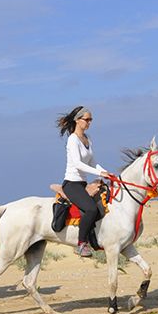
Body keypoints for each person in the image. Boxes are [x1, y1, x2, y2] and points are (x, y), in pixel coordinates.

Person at [57, 106, 113, 257]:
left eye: (91, 120)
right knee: (91, 209)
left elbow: (93, 162)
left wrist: (106, 173)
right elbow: (78, 164)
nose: (89, 122)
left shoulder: (88, 139)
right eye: (86, 119)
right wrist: (99, 173)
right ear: (77, 120)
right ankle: (81, 244)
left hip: (82, 184)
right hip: (71, 184)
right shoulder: (72, 139)